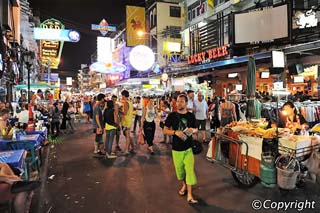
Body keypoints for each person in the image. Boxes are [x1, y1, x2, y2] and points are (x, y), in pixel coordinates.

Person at [164, 94, 199, 204]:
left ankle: (189, 195)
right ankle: (184, 184)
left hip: (188, 148)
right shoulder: (172, 116)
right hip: (176, 149)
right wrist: (175, 132)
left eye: (181, 101)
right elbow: (165, 130)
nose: (178, 103)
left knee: (189, 170)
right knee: (180, 172)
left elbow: (196, 129)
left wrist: (192, 131)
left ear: (186, 103)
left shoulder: (190, 116)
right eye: (177, 101)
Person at [120, 90, 134, 155]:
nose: (121, 97)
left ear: (123, 95)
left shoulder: (126, 103)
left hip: (126, 122)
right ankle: (132, 147)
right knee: (127, 135)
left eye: (122, 95)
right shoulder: (130, 102)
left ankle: (126, 150)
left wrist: (118, 110)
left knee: (127, 136)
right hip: (129, 121)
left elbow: (125, 113)